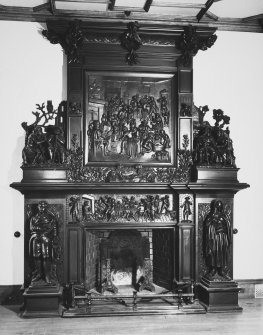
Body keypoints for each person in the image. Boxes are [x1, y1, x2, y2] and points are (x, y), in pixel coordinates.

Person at [29, 201, 58, 284]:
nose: (42, 208)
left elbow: (53, 228)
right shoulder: (33, 218)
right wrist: (43, 229)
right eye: (41, 206)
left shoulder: (50, 217)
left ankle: (47, 275)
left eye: (44, 206)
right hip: (36, 238)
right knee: (36, 256)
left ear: (46, 207)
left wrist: (46, 232)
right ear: (38, 207)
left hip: (46, 238)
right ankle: (38, 274)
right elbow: (32, 228)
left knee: (46, 256)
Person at [203, 200, 231, 280]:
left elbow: (228, 226)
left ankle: (221, 271)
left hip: (222, 238)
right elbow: (207, 225)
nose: (219, 208)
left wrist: (224, 229)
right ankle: (213, 270)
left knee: (222, 253)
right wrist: (213, 226)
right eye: (217, 206)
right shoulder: (211, 215)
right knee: (213, 253)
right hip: (214, 238)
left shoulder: (224, 215)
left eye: (220, 206)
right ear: (215, 207)